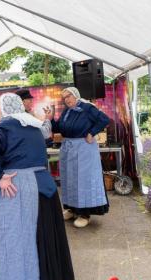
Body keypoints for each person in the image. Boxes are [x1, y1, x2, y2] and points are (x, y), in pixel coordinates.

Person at [0, 93, 74, 280]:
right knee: (40, 239)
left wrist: (0, 176)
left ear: (3, 109)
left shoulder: (4, 129)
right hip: (45, 189)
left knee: (11, 242)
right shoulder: (34, 127)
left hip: (18, 189)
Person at [48, 87, 110, 228]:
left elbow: (104, 119)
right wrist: (51, 118)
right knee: (70, 179)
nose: (67, 99)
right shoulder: (67, 111)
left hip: (84, 150)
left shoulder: (87, 108)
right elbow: (58, 128)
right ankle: (71, 208)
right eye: (64, 98)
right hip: (68, 149)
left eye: (69, 96)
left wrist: (92, 133)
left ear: (76, 95)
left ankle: (84, 214)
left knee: (83, 180)